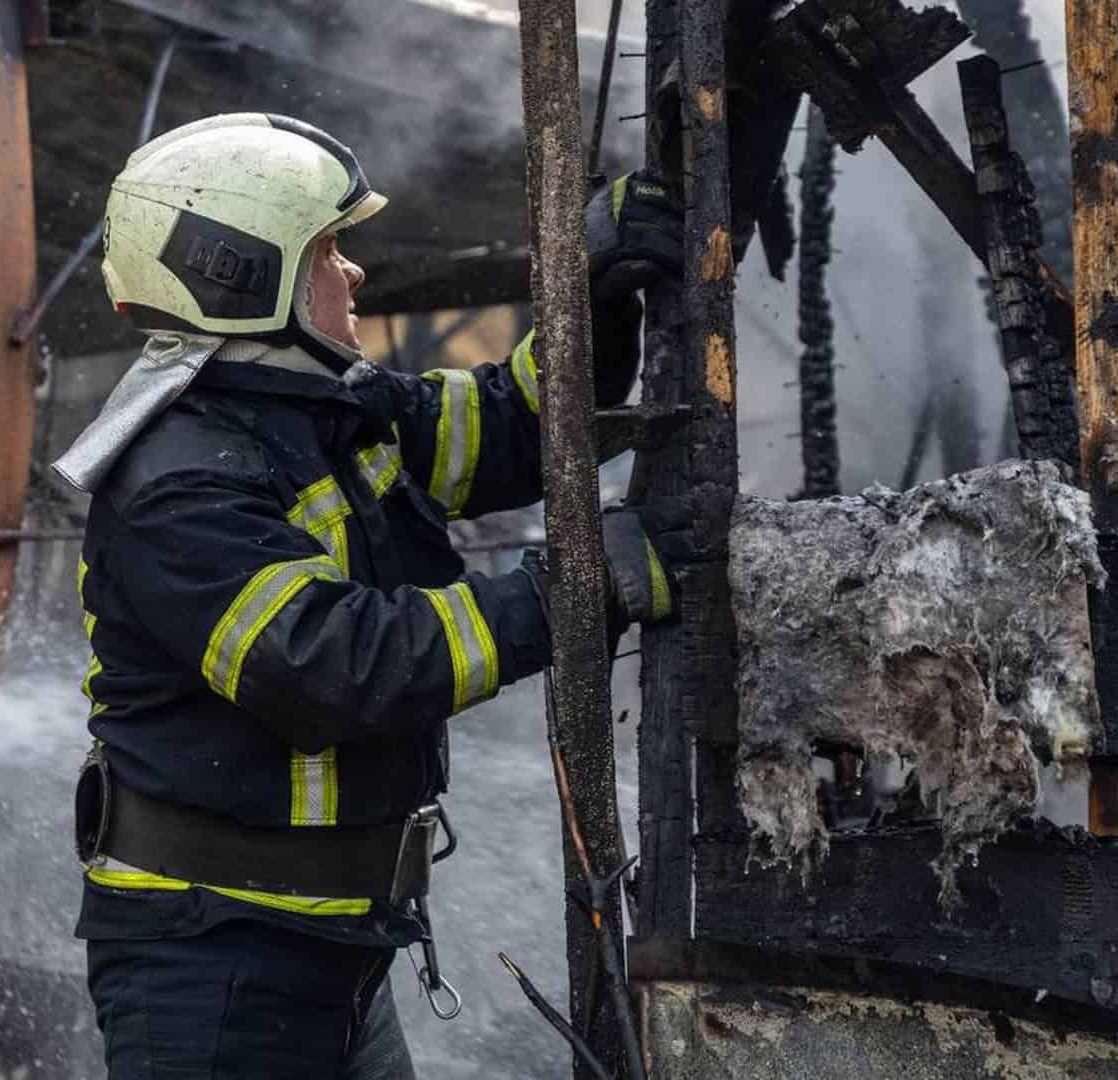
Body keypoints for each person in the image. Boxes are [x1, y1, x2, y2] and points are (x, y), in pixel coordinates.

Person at [53, 113, 687, 1079]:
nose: (352, 272)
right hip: (216, 965)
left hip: (329, 946)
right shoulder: (177, 480)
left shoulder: (328, 409)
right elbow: (334, 666)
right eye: (326, 249)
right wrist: (570, 594)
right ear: (245, 273)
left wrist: (593, 301)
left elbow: (515, 433)